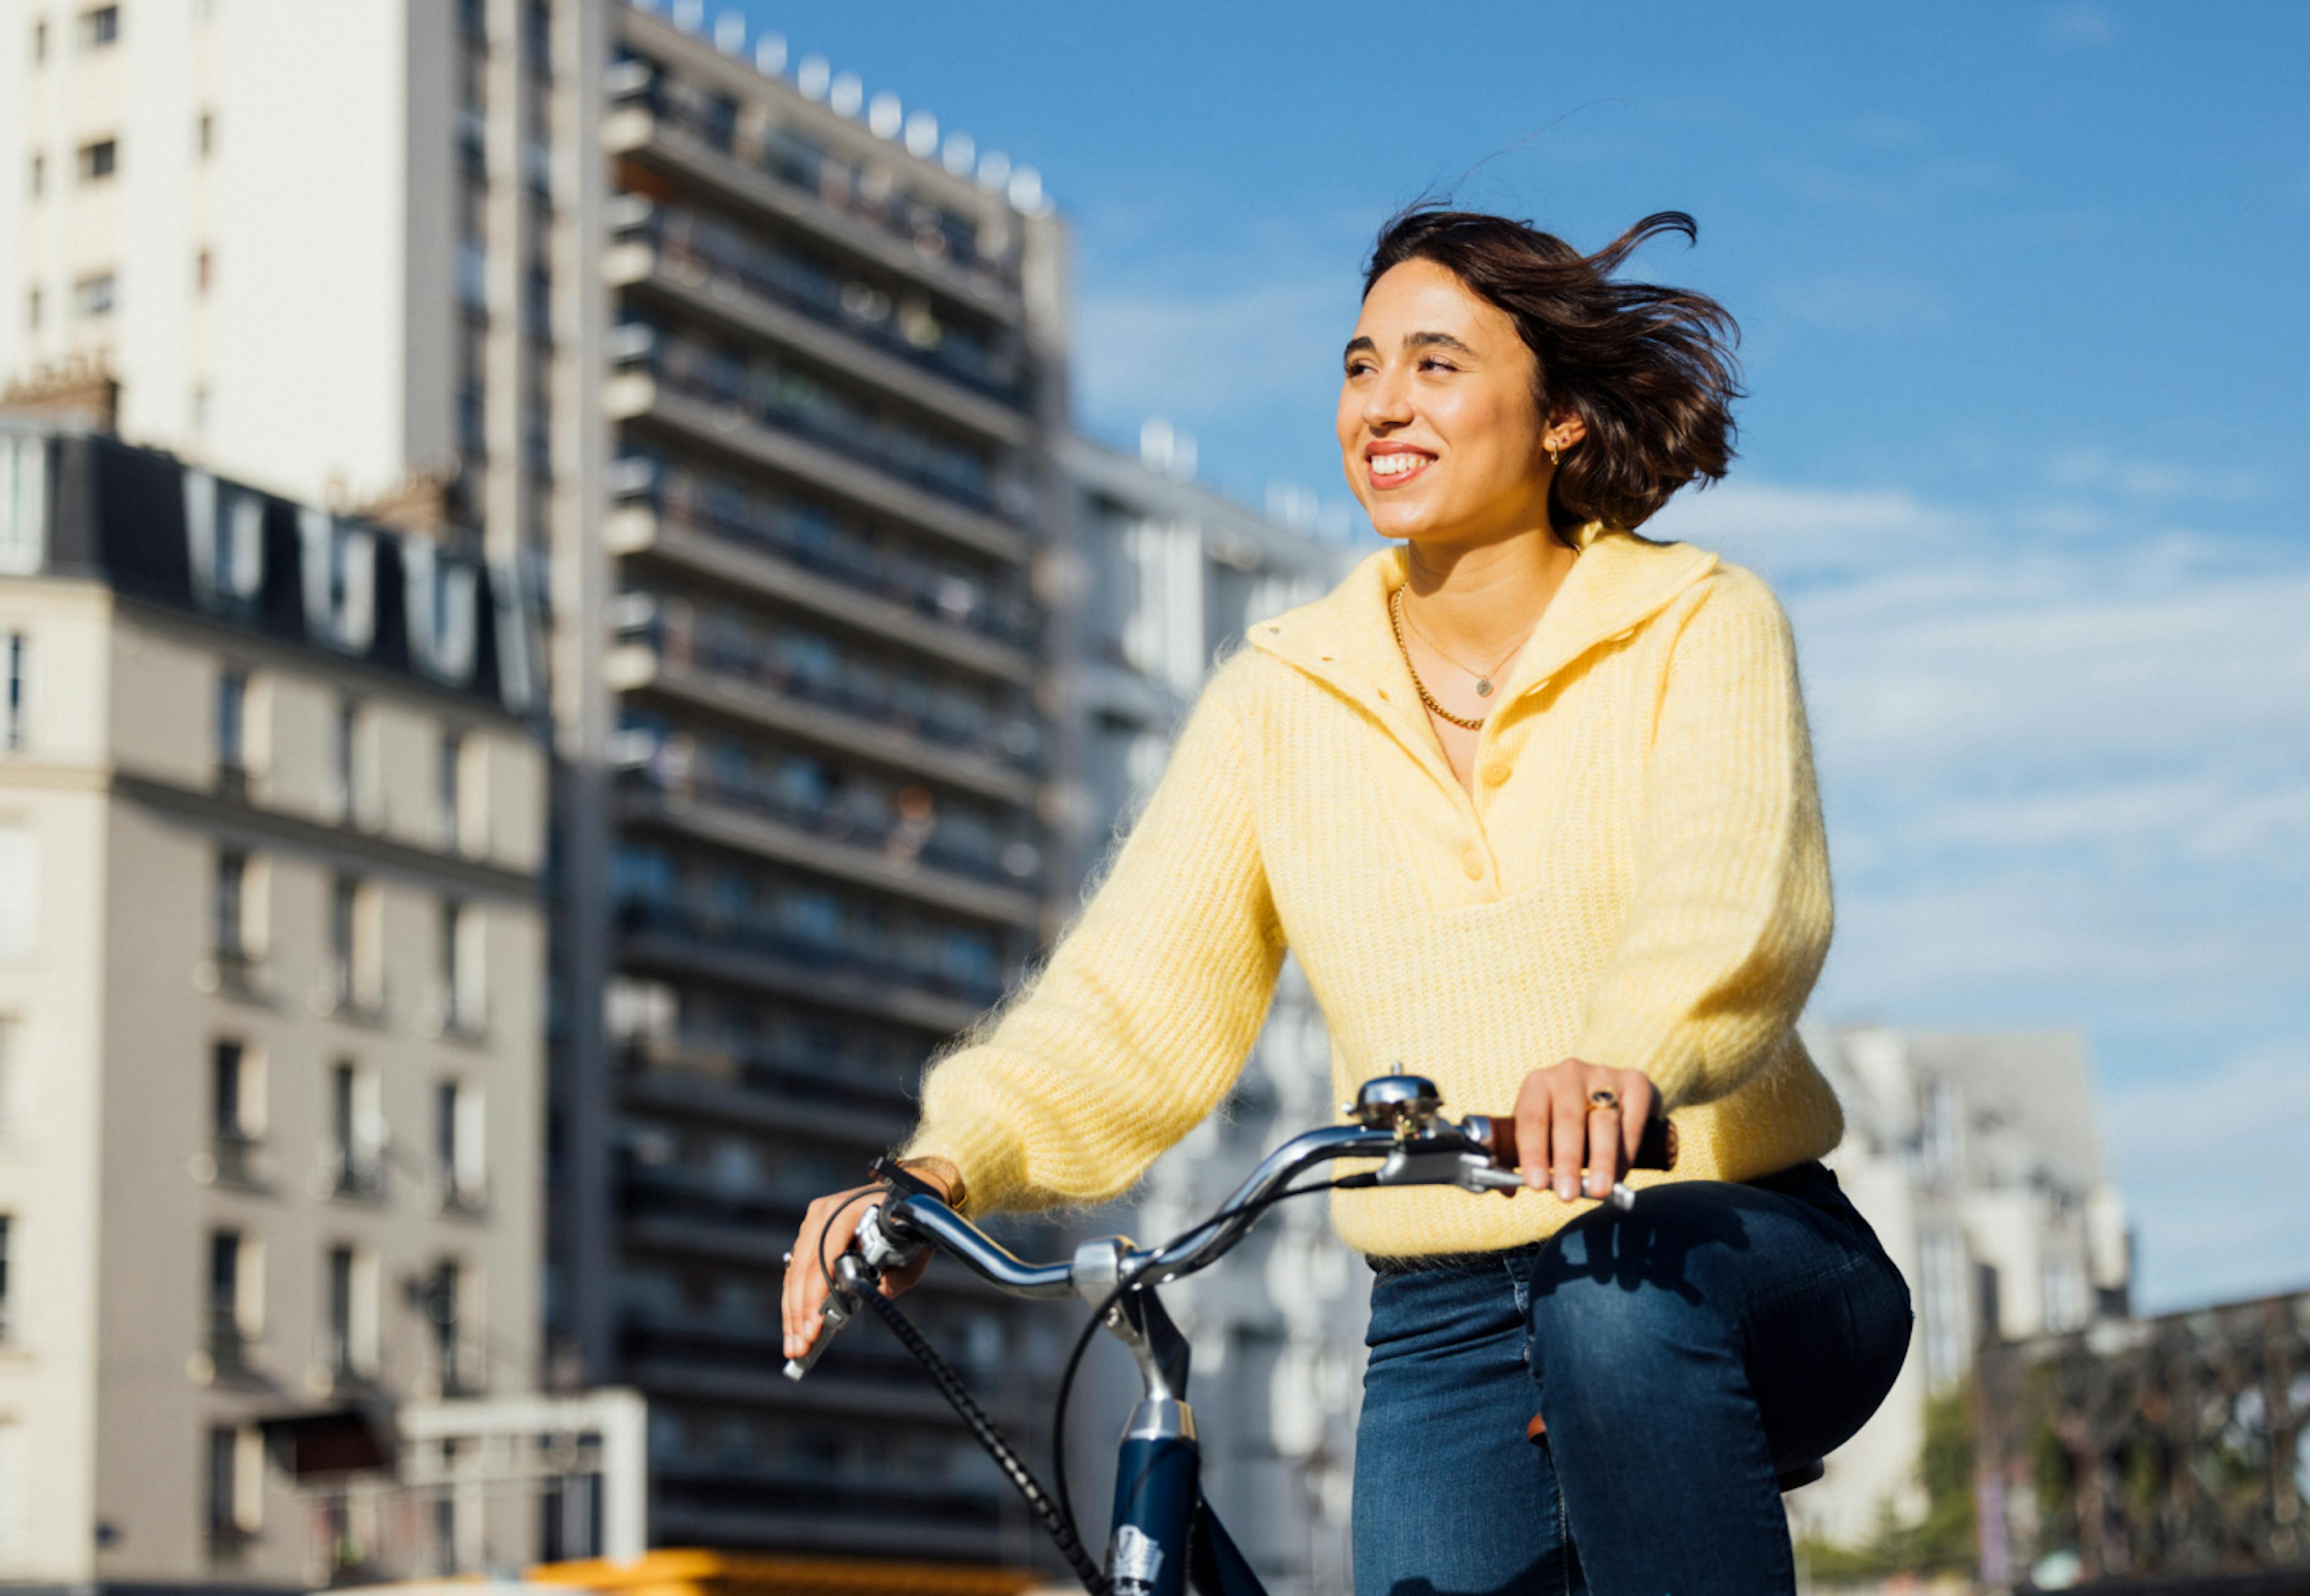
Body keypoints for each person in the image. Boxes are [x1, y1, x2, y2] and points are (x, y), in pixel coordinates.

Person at [782, 205, 1912, 1595]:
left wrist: (1629, 1059)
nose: (1384, 401)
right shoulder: (1285, 690)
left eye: (1437, 365)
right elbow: (1133, 993)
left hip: (1725, 1244)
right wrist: (941, 1165)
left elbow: (1735, 894)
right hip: (1442, 1320)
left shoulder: (1693, 622)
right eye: (1361, 364)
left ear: (1559, 416)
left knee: (1613, 1325)